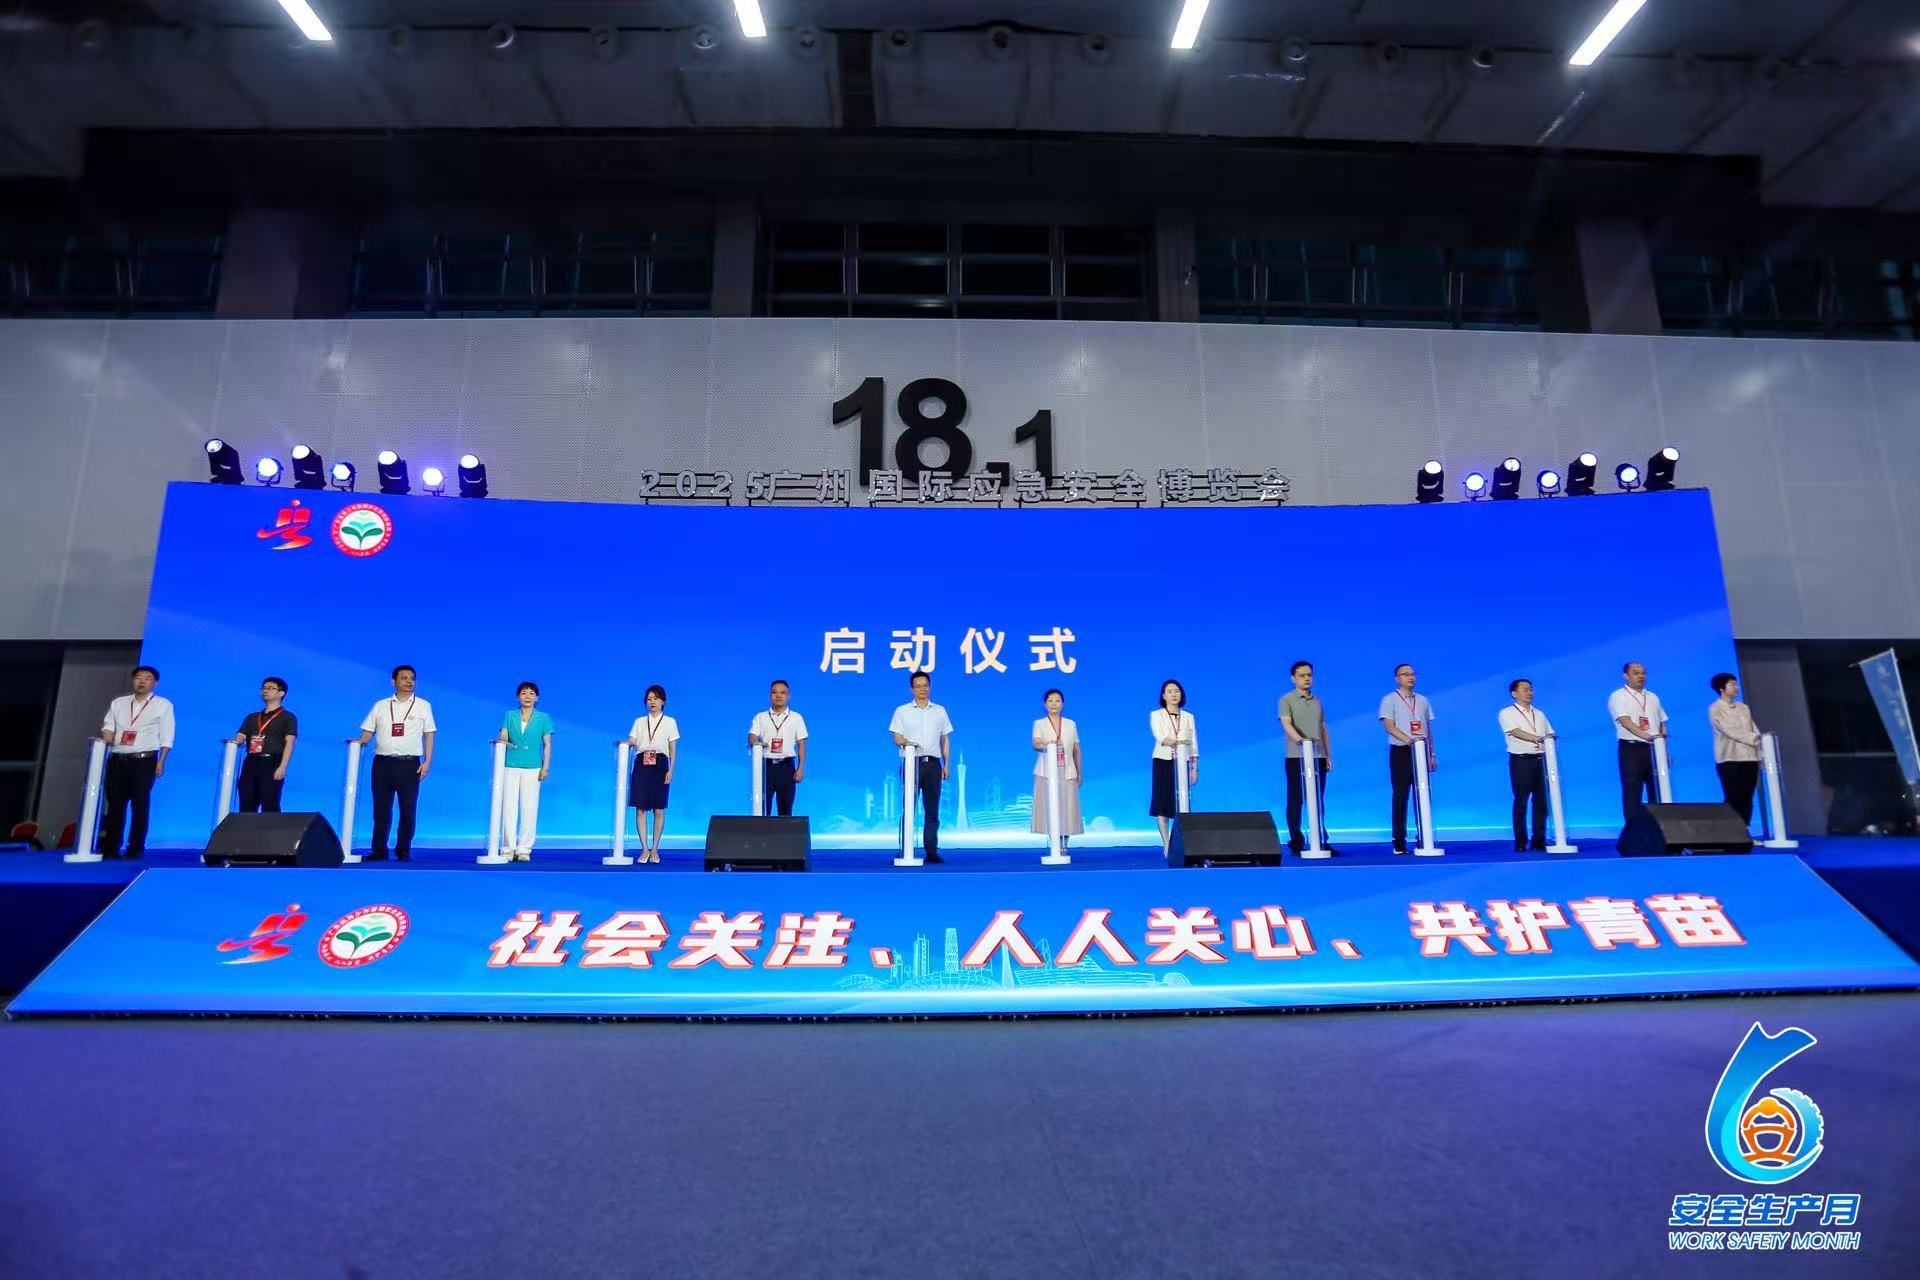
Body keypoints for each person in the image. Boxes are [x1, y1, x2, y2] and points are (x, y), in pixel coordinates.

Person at [355, 664, 435, 861]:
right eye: (404, 678)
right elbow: (368, 731)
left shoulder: (423, 705)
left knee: (408, 808)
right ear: (394, 681)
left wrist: (427, 762)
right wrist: (358, 744)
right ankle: (378, 850)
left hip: (409, 765)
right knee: (381, 809)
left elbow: (429, 734)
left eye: (412, 678)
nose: (409, 681)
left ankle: (403, 849)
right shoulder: (381, 705)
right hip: (382, 764)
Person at [98, 664, 174, 859]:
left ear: (155, 683)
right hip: (118, 759)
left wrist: (161, 761)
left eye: (147, 678)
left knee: (140, 805)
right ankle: (111, 848)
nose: (142, 681)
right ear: (133, 680)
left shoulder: (163, 704)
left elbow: (167, 736)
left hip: (144, 761)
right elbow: (108, 727)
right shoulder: (119, 703)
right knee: (115, 805)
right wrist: (103, 741)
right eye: (138, 677)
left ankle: (135, 847)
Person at [889, 671, 953, 863]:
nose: (922, 689)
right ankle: (905, 849)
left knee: (932, 809)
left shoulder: (940, 710)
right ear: (911, 689)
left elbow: (945, 739)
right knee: (908, 807)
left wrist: (946, 764)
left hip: (933, 764)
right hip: (912, 763)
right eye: (918, 686)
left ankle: (931, 851)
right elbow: (896, 737)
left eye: (925, 685)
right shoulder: (902, 711)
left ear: (930, 686)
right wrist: (908, 743)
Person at [1278, 661, 1336, 857]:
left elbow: (1323, 728)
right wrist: (1301, 741)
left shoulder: (1317, 701)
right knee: (1295, 799)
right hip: (1296, 756)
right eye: (1302, 675)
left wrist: (1327, 754)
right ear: (1293, 678)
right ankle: (1296, 841)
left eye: (1309, 675)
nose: (1307, 678)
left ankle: (1320, 839)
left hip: (1318, 756)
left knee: (1318, 799)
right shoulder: (1286, 700)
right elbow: (1286, 724)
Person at [1378, 664, 1436, 854]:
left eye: (1413, 674)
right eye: (1406, 674)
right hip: (1401, 751)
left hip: (1421, 751)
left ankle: (1424, 836)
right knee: (1401, 795)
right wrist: (1410, 741)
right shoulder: (1389, 700)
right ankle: (1399, 840)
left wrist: (1431, 753)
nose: (1411, 677)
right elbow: (1390, 727)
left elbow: (1428, 729)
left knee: (1423, 795)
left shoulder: (1423, 700)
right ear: (1397, 678)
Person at [497, 682, 553, 861]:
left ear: (537, 698)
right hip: (510, 765)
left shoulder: (543, 718)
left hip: (533, 766)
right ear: (518, 697)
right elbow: (504, 735)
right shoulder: (509, 715)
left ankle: (524, 849)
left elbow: (547, 744)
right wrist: (502, 740)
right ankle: (508, 847)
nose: (527, 696)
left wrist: (545, 767)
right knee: (508, 807)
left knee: (529, 807)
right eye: (523, 693)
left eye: (531, 693)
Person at [1498, 678, 1554, 852]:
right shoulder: (1507, 713)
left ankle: (1539, 840)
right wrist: (1538, 738)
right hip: (1521, 761)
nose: (1530, 692)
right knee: (1521, 800)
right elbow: (1515, 732)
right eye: (1525, 689)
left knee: (1542, 802)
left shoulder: (1539, 713)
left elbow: (1549, 733)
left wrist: (1549, 739)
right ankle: (1521, 841)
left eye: (1531, 689)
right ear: (1514, 694)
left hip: (1541, 760)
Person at [1608, 661, 1668, 824]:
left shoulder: (1653, 697)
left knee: (1658, 788)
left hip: (1655, 749)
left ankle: (1660, 825)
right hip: (1632, 748)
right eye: (1636, 673)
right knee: (1632, 790)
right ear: (1626, 676)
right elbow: (1625, 721)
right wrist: (1646, 736)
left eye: (1643, 673)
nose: (1641, 676)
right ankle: (1632, 828)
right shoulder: (1618, 696)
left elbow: (1662, 723)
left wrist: (1664, 749)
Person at [628, 684, 678, 864]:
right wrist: (626, 744)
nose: (652, 702)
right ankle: (644, 849)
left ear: (663, 701)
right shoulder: (639, 721)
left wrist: (671, 769)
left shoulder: (670, 722)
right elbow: (632, 741)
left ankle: (655, 848)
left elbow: (672, 748)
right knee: (640, 808)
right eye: (649, 699)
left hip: (660, 764)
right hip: (641, 764)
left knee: (658, 808)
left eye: (655, 698)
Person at [233, 677, 297, 814]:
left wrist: (283, 767)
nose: (265, 691)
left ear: (281, 693)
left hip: (272, 762)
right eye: (264, 688)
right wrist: (234, 743)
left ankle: (272, 829)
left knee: (270, 803)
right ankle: (246, 828)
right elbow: (241, 735)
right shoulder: (251, 717)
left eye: (270, 688)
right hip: (251, 762)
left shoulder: (288, 717)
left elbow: (290, 742)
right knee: (246, 802)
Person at [1149, 678, 1198, 847]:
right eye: (1169, 692)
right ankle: (1167, 844)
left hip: (1183, 763)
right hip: (1163, 761)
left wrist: (1194, 767)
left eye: (1177, 691)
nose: (1173, 694)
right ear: (1163, 696)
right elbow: (1159, 735)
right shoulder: (1157, 715)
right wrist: (1173, 742)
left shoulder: (1189, 717)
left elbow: (1193, 743)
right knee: (1162, 802)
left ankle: (1184, 841)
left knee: (1182, 800)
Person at [1030, 688, 1083, 845]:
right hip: (1046, 772)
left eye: (1058, 701)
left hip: (1067, 770)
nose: (1054, 704)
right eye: (1050, 701)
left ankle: (1065, 843)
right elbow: (1036, 743)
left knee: (1068, 809)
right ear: (1045, 704)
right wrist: (1049, 744)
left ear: (1063, 704)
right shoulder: (1039, 723)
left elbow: (1076, 750)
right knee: (1049, 807)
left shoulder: (1071, 724)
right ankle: (1054, 842)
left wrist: (1080, 774)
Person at [1709, 672, 1762, 826]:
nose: (1736, 687)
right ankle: (1731, 829)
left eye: (1736, 684)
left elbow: (1754, 728)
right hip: (1729, 758)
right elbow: (1728, 730)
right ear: (1721, 688)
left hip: (1750, 757)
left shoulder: (1744, 708)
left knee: (1747, 796)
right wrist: (1754, 739)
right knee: (1733, 796)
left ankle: (1745, 828)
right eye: (1732, 684)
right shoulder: (1715, 708)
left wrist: (1761, 743)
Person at [748, 679, 808, 816]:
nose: (778, 696)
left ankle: (784, 831)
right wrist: (756, 743)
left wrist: (800, 768)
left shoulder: (796, 718)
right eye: (774, 692)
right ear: (770, 695)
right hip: (765, 768)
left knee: (785, 811)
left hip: (786, 768)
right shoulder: (761, 717)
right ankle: (762, 831)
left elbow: (801, 744)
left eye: (782, 693)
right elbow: (752, 736)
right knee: (762, 810)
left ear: (788, 696)